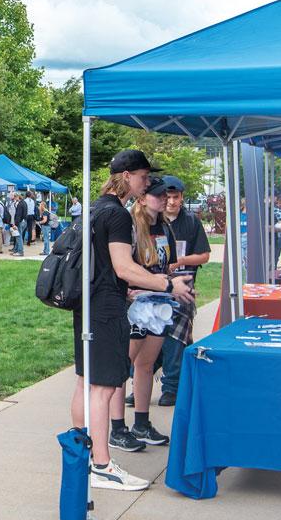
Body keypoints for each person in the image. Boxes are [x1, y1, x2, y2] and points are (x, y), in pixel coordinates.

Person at [70, 150, 194, 492]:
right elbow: (124, 268)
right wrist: (168, 284)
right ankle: (101, 464)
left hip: (87, 304)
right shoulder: (119, 216)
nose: (147, 183)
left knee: (85, 381)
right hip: (107, 308)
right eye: (142, 176)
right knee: (105, 386)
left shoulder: (93, 209)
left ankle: (82, 457)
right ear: (126, 176)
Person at [110, 176, 179, 450]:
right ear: (142, 198)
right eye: (158, 194)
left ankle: (141, 422)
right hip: (135, 305)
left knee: (147, 364)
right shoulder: (129, 226)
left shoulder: (163, 226)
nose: (164, 198)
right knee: (120, 367)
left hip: (158, 303)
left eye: (166, 194)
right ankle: (117, 427)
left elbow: (168, 263)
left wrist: (172, 280)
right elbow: (122, 265)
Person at [158, 175, 211, 407]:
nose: (171, 202)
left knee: (175, 337)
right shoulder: (151, 220)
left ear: (182, 197)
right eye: (167, 197)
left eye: (175, 197)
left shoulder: (191, 222)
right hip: (154, 284)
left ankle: (171, 386)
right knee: (149, 335)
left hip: (183, 284)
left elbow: (205, 255)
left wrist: (180, 261)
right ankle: (140, 382)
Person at [11, 192, 28, 257]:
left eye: (15, 197)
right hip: (24, 221)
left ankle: (20, 252)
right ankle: (16, 250)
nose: (14, 199)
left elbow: (18, 215)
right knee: (19, 236)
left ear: (17, 197)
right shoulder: (24, 203)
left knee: (18, 237)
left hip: (20, 222)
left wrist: (15, 224)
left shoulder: (20, 204)